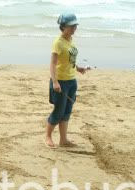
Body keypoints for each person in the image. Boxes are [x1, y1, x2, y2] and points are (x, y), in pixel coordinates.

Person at [45, 13, 88, 149]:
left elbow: (69, 60)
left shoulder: (70, 40)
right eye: (71, 26)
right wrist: (55, 82)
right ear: (63, 27)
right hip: (60, 82)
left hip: (71, 81)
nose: (74, 28)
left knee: (67, 111)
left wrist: (78, 68)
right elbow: (53, 64)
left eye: (75, 25)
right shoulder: (58, 42)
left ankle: (63, 140)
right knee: (58, 111)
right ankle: (48, 137)